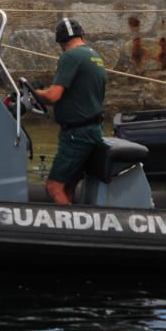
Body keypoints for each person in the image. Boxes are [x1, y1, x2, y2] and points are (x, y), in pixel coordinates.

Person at [29, 18, 107, 205]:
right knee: (68, 187)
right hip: (93, 130)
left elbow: (53, 96)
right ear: (82, 35)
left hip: (77, 135)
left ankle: (73, 231)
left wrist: (35, 93)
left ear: (61, 41)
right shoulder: (94, 55)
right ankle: (72, 218)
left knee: (54, 186)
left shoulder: (70, 56)